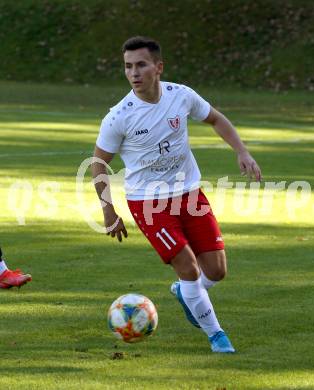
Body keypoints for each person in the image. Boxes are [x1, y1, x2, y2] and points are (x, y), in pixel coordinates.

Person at [92, 36, 262, 353]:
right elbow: (98, 164)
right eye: (128, 67)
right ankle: (217, 336)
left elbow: (215, 118)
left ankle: (185, 293)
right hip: (148, 202)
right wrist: (108, 211)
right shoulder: (119, 116)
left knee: (216, 271)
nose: (133, 73)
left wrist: (242, 151)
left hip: (189, 194)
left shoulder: (180, 96)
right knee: (189, 268)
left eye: (140, 65)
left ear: (158, 67)